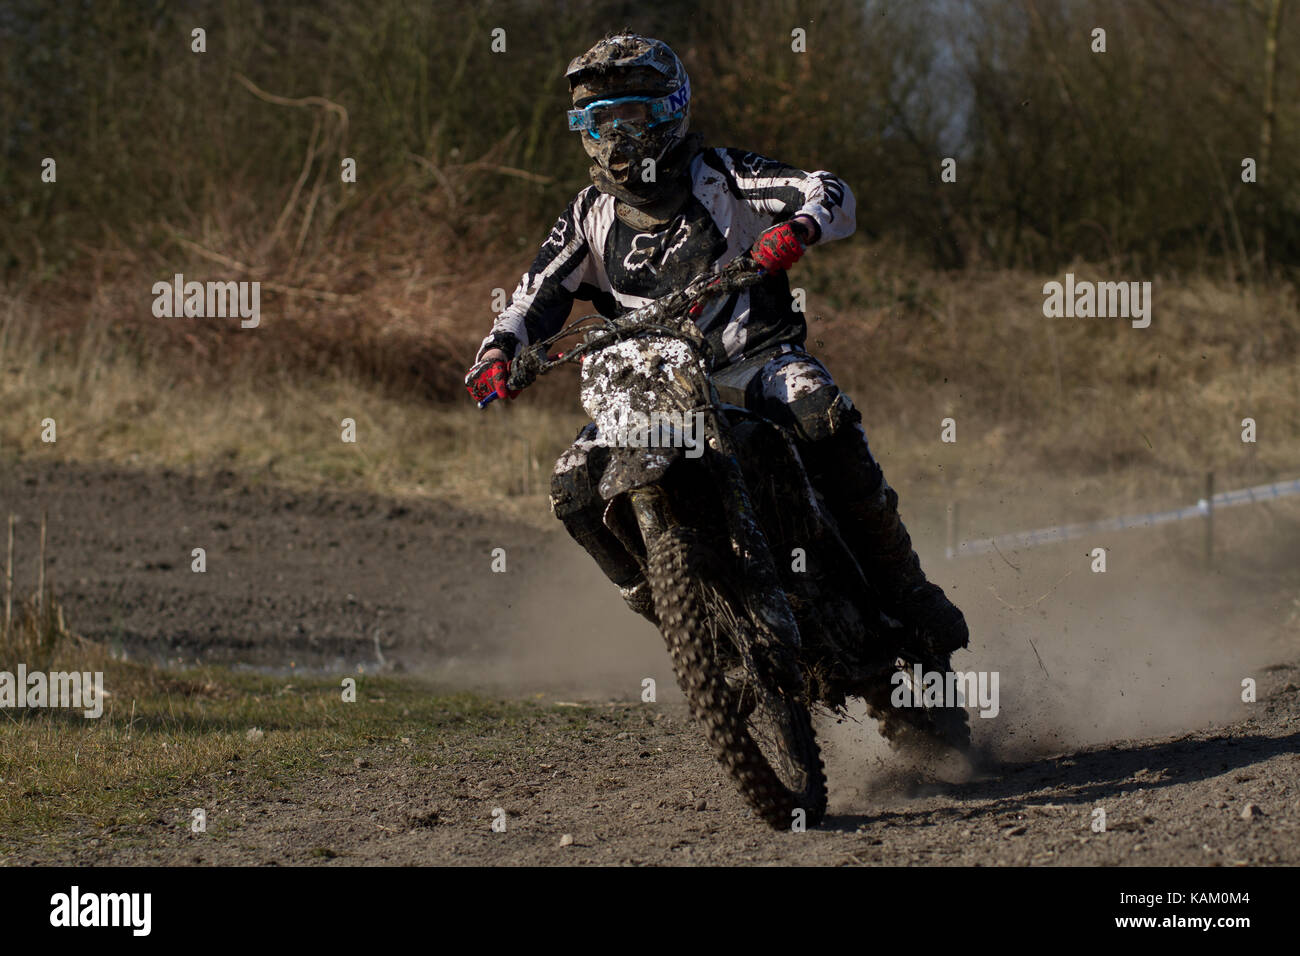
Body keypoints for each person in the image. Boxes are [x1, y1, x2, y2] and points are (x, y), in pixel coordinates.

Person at [465, 33, 967, 656]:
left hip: (752, 361)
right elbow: (533, 297)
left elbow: (828, 189)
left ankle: (906, 587)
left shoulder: (726, 178)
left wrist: (799, 228)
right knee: (571, 489)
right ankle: (680, 620)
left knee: (820, 409)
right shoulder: (589, 214)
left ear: (672, 110)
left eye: (634, 114)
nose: (619, 136)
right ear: (583, 129)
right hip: (645, 383)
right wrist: (496, 354)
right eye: (602, 119)